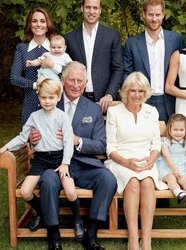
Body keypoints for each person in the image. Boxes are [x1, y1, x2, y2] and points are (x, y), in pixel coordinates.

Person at [30, 61, 117, 250]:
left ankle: (92, 234)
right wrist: (33, 138)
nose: (76, 85)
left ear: (85, 83)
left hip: (83, 164)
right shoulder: (49, 101)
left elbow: (101, 145)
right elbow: (34, 133)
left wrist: (77, 140)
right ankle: (54, 235)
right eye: (71, 80)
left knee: (108, 179)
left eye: (80, 81)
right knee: (48, 181)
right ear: (62, 81)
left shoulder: (93, 110)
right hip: (54, 163)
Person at [0, 79, 85, 248]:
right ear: (39, 97)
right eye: (44, 97)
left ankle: (77, 218)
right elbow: (23, 137)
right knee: (25, 191)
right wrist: (5, 146)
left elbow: (67, 142)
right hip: (41, 160)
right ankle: (44, 213)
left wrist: (65, 163)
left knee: (71, 192)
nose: (47, 101)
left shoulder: (62, 117)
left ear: (58, 97)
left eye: (51, 97)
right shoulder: (34, 117)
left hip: (60, 159)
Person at [104, 72, 167, 250]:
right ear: (125, 91)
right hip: (120, 160)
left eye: (141, 91)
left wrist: (152, 160)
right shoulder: (114, 111)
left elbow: (156, 143)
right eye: (132, 90)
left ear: (146, 92)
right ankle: (133, 238)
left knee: (147, 182)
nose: (137, 95)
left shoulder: (152, 111)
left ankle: (146, 239)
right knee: (132, 182)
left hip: (147, 161)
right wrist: (127, 163)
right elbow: (110, 148)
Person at [123, 0, 184, 123]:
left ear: (163, 14)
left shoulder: (176, 40)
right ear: (144, 14)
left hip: (169, 100)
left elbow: (183, 70)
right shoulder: (132, 43)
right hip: (142, 101)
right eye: (151, 14)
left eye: (157, 15)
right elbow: (126, 73)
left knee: (169, 140)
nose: (154, 19)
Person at [65, 0, 124, 112]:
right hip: (76, 99)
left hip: (104, 101)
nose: (91, 11)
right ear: (82, 8)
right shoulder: (70, 38)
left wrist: (110, 94)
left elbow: (118, 68)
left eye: (95, 8)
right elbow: (65, 70)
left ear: (100, 10)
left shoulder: (112, 36)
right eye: (88, 7)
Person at [10, 7, 59, 125]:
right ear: (29, 25)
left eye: (42, 21)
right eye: (34, 21)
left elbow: (65, 74)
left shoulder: (57, 47)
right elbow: (14, 77)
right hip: (30, 103)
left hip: (55, 103)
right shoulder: (22, 48)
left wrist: (52, 65)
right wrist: (35, 85)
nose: (38, 24)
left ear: (48, 25)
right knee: (30, 140)